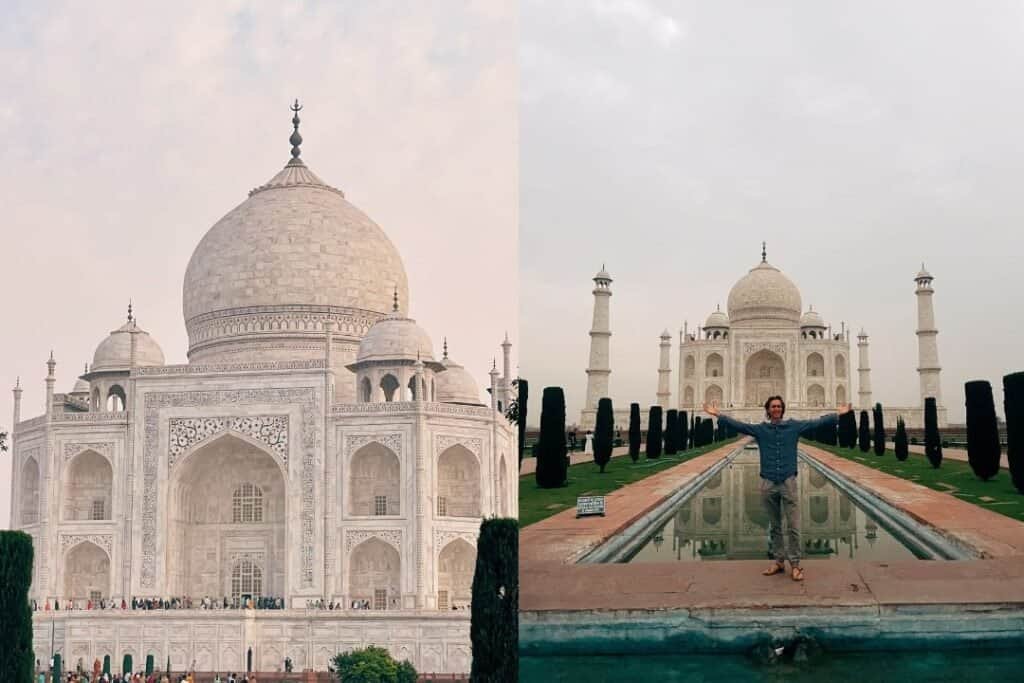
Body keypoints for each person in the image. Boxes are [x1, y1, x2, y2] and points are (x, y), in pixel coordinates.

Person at [704, 396, 851, 581]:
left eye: (779, 406)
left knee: (794, 526)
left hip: (788, 482)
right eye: (773, 406)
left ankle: (795, 565)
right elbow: (740, 426)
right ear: (768, 410)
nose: (776, 409)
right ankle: (779, 561)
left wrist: (838, 414)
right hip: (768, 482)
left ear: (783, 409)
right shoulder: (760, 429)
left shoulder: (794, 426)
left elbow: (816, 423)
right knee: (775, 527)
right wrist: (718, 414)